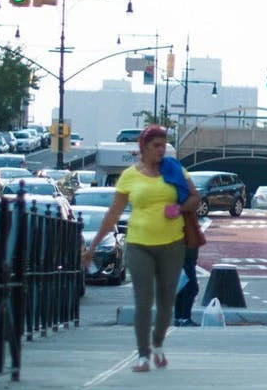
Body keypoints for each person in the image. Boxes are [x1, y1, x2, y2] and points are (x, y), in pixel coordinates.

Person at [82, 126, 199, 372]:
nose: (161, 150)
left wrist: (179, 208)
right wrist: (93, 246)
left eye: (164, 145)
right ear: (144, 148)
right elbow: (114, 213)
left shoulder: (176, 170)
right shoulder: (129, 176)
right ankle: (143, 356)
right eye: (156, 145)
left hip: (172, 243)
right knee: (143, 300)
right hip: (138, 243)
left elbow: (194, 199)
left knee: (167, 300)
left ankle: (158, 343)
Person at [174, 247, 200, 327]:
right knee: (192, 287)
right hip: (185, 256)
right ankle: (185, 318)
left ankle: (179, 318)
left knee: (182, 287)